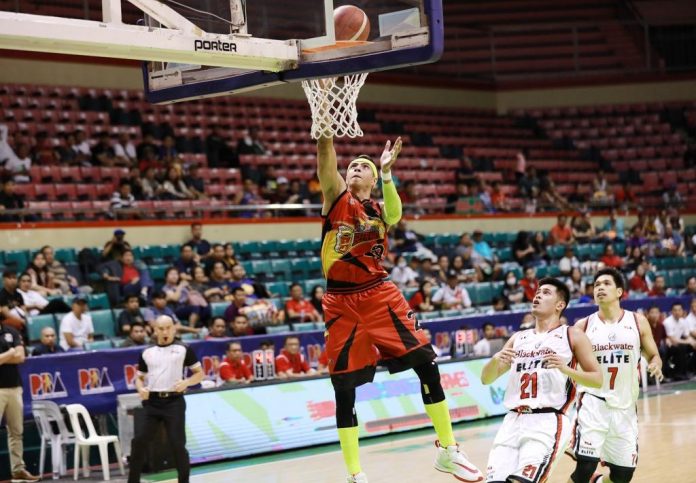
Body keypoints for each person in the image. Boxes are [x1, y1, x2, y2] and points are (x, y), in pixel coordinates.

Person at [316, 133, 482, 483]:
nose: (357, 169)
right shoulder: (336, 199)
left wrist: (388, 173)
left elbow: (395, 212)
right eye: (352, 166)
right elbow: (324, 154)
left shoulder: (378, 210)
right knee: (344, 390)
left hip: (378, 293)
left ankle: (448, 450)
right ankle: (355, 474)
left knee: (426, 361)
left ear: (373, 180)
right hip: (340, 301)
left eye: (364, 166)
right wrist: (325, 126)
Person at [481, 278, 602, 483]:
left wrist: (566, 369)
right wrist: (494, 361)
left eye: (546, 292)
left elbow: (597, 380)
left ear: (560, 305)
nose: (537, 295)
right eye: (537, 292)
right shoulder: (518, 338)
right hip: (512, 421)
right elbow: (486, 379)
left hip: (547, 421)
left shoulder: (572, 335)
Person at [568, 267, 663, 483]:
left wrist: (656, 363)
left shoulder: (637, 322)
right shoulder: (583, 326)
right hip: (593, 402)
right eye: (596, 285)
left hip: (625, 407)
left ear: (620, 291)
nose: (600, 287)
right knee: (585, 466)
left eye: (606, 283)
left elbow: (653, 354)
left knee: (622, 476)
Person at [128, 315, 204, 483]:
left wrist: (186, 382)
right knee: (139, 441)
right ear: (155, 330)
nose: (165, 332)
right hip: (153, 402)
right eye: (161, 328)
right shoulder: (147, 352)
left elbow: (200, 374)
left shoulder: (184, 349)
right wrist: (141, 389)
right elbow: (139, 377)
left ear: (174, 329)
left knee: (177, 445)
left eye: (168, 328)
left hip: (174, 402)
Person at [0, 314, 40, 482]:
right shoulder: (10, 341)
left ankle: (18, 469)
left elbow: (21, 357)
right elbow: (15, 354)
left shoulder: (11, 331)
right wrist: (10, 352)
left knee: (17, 432)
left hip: (15, 387)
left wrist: (4, 357)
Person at [662, 302, 695, 380]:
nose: (677, 312)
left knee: (691, 346)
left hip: (679, 343)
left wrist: (693, 342)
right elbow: (672, 339)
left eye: (679, 310)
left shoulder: (683, 321)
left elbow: (687, 335)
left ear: (683, 311)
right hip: (668, 346)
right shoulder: (667, 322)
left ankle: (691, 370)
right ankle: (679, 374)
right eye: (675, 310)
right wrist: (688, 342)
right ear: (671, 311)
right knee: (681, 347)